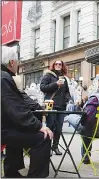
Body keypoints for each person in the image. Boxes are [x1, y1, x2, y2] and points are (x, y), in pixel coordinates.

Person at [1, 45, 53, 178]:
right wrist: (39, 126)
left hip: (5, 126)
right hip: (3, 129)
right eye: (17, 62)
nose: (18, 65)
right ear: (12, 62)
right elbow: (15, 108)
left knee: (18, 128)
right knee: (43, 137)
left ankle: (11, 172)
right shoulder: (3, 78)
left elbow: (17, 103)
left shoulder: (5, 77)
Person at [40, 60, 71, 155]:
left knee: (59, 128)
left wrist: (66, 98)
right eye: (56, 64)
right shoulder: (48, 75)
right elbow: (42, 87)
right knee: (50, 126)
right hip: (51, 105)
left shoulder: (64, 78)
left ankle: (55, 146)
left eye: (60, 64)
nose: (58, 65)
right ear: (53, 65)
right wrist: (56, 84)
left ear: (62, 66)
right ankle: (47, 147)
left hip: (61, 106)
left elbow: (67, 91)